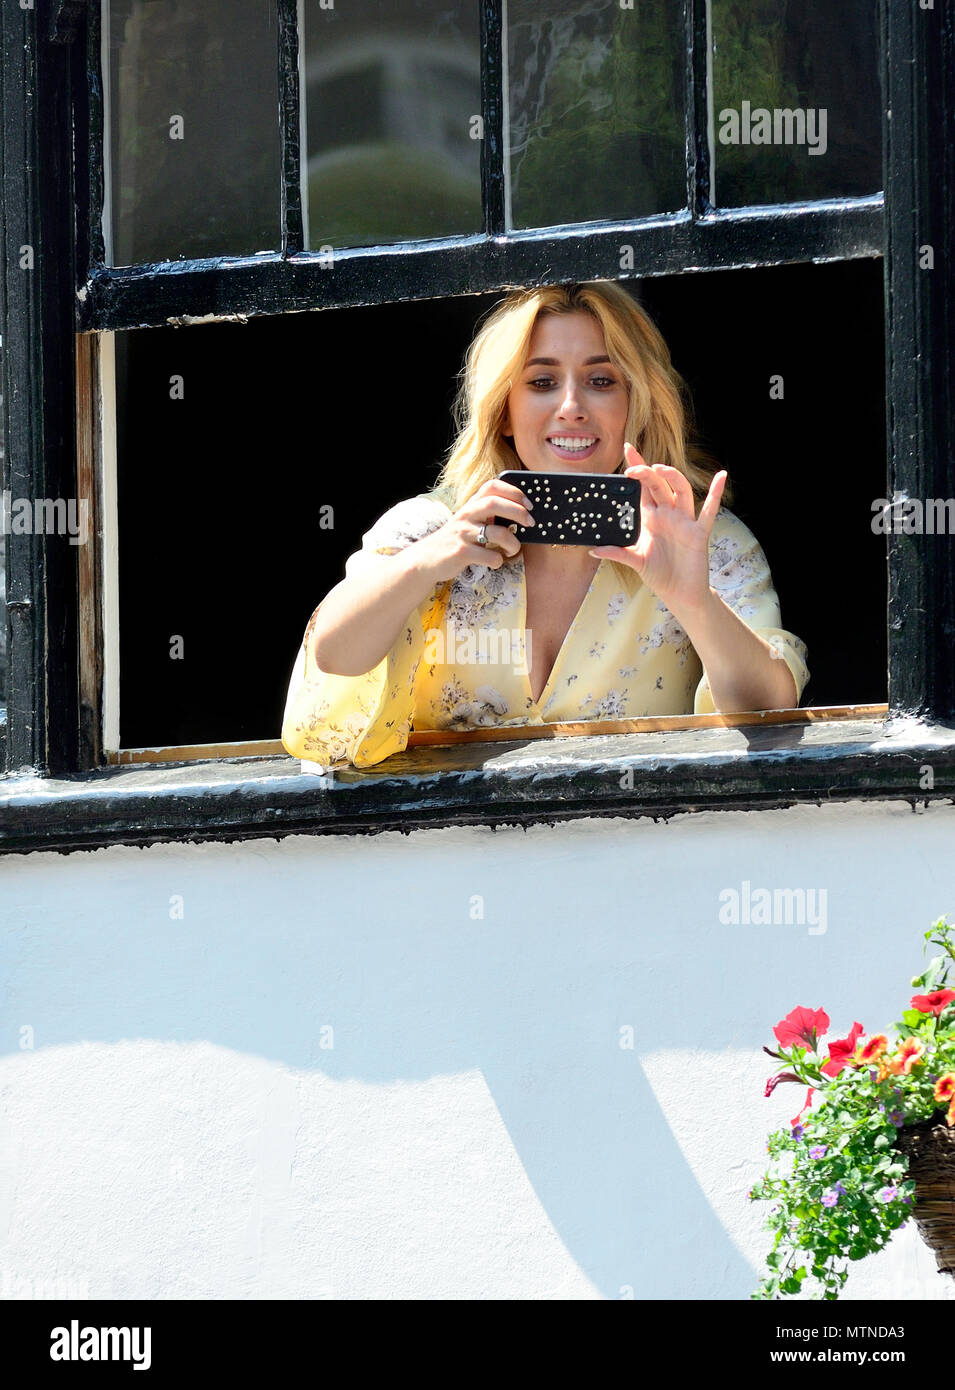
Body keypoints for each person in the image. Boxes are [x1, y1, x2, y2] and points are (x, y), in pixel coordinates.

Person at [282, 280, 808, 768]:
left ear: (638, 403)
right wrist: (426, 562)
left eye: (601, 381)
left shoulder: (701, 539)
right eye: (542, 382)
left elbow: (771, 717)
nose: (571, 407)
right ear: (504, 411)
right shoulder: (432, 526)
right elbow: (333, 658)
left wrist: (693, 600)